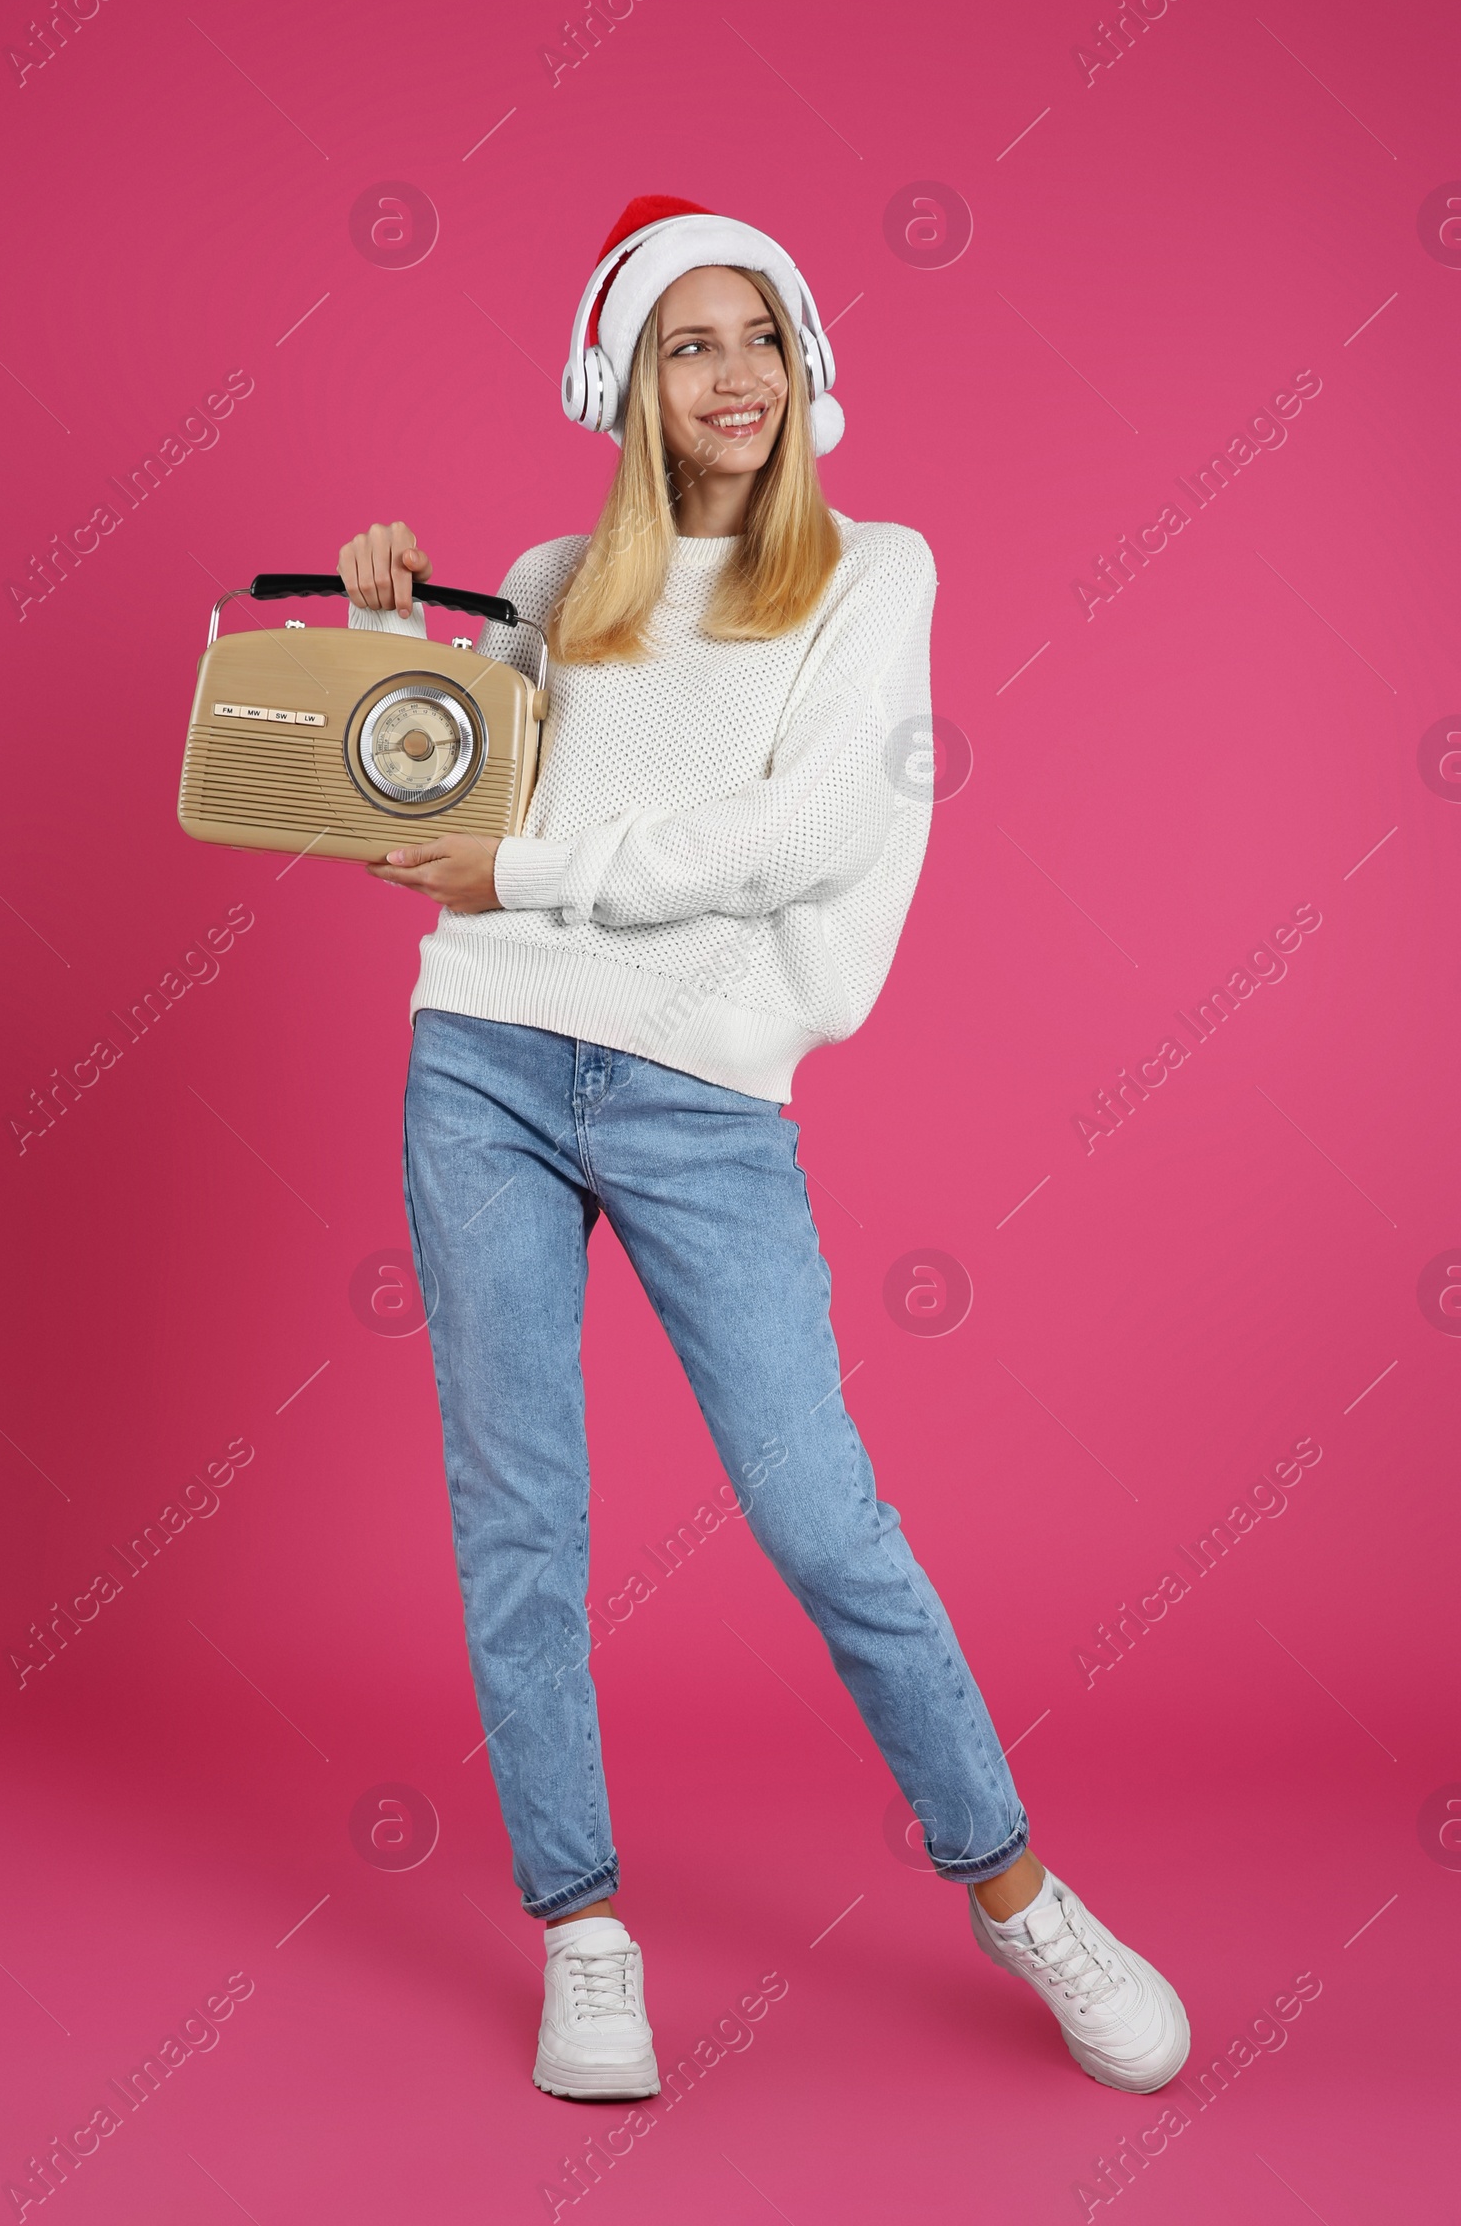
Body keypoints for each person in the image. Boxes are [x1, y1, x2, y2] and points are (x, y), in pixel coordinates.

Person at [337, 196, 1188, 2103]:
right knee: (519, 1521)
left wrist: (539, 872)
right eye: (689, 345)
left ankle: (1020, 1893)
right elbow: (440, 788)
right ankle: (585, 1933)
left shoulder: (876, 570)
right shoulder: (559, 578)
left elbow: (804, 832)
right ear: (623, 381)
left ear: (812, 365)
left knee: (820, 1519)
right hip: (477, 1050)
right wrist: (391, 623)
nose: (735, 377)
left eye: (762, 339)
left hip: (700, 1095)